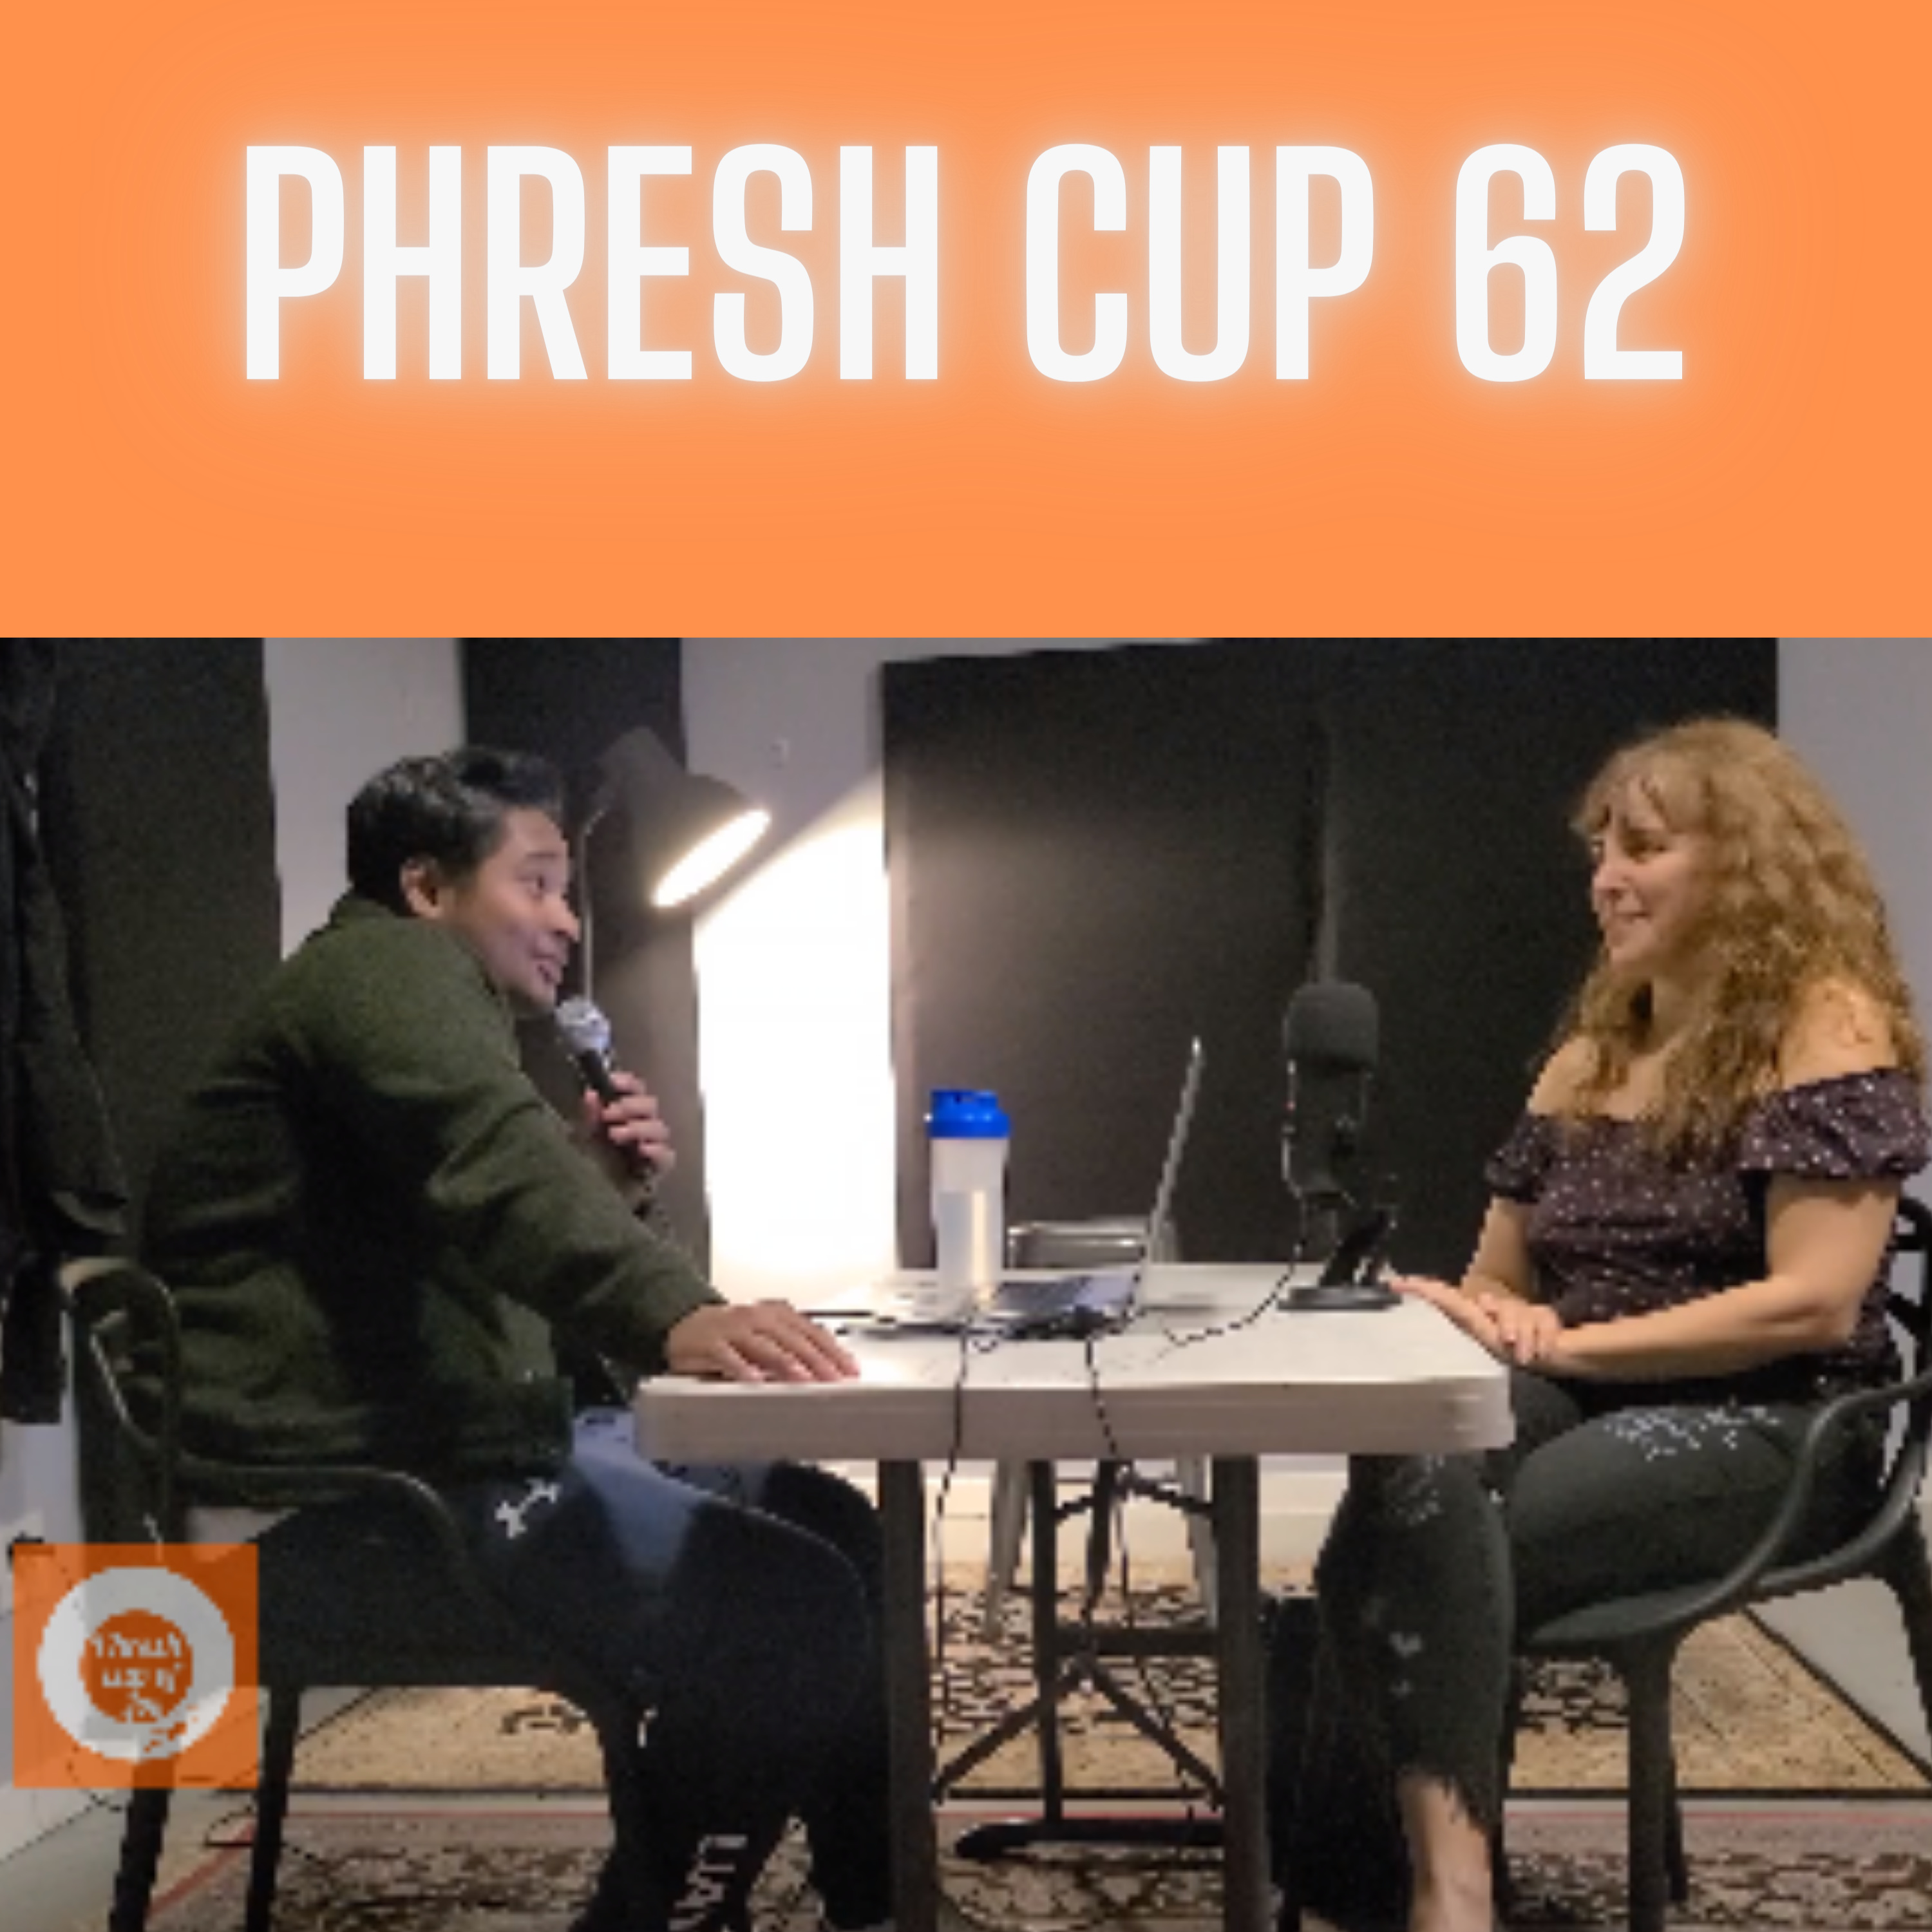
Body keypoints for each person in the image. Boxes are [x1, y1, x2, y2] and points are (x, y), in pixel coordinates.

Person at [142, 748, 952, 1932]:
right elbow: (492, 1161)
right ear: (426, 888)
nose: (566, 921)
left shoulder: (396, 1002)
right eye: (535, 883)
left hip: (425, 1461)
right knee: (791, 1606)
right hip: (326, 1516)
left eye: (566, 890)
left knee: (836, 1528)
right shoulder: (381, 968)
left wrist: (595, 1184)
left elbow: (464, 1223)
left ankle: (880, 1907)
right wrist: (673, 1311)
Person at [1274, 717, 1929, 1932]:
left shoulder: (1826, 1027)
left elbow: (1815, 1301)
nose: (1607, 879)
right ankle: (1437, 1883)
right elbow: (1502, 1278)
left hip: (1778, 1420)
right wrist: (1473, 1312)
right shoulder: (1587, 1059)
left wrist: (1568, 1344)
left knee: (1430, 1546)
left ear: (1747, 866)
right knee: (1414, 1465)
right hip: (1586, 1392)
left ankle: (1414, 1890)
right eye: (1601, 851)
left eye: (1644, 848)